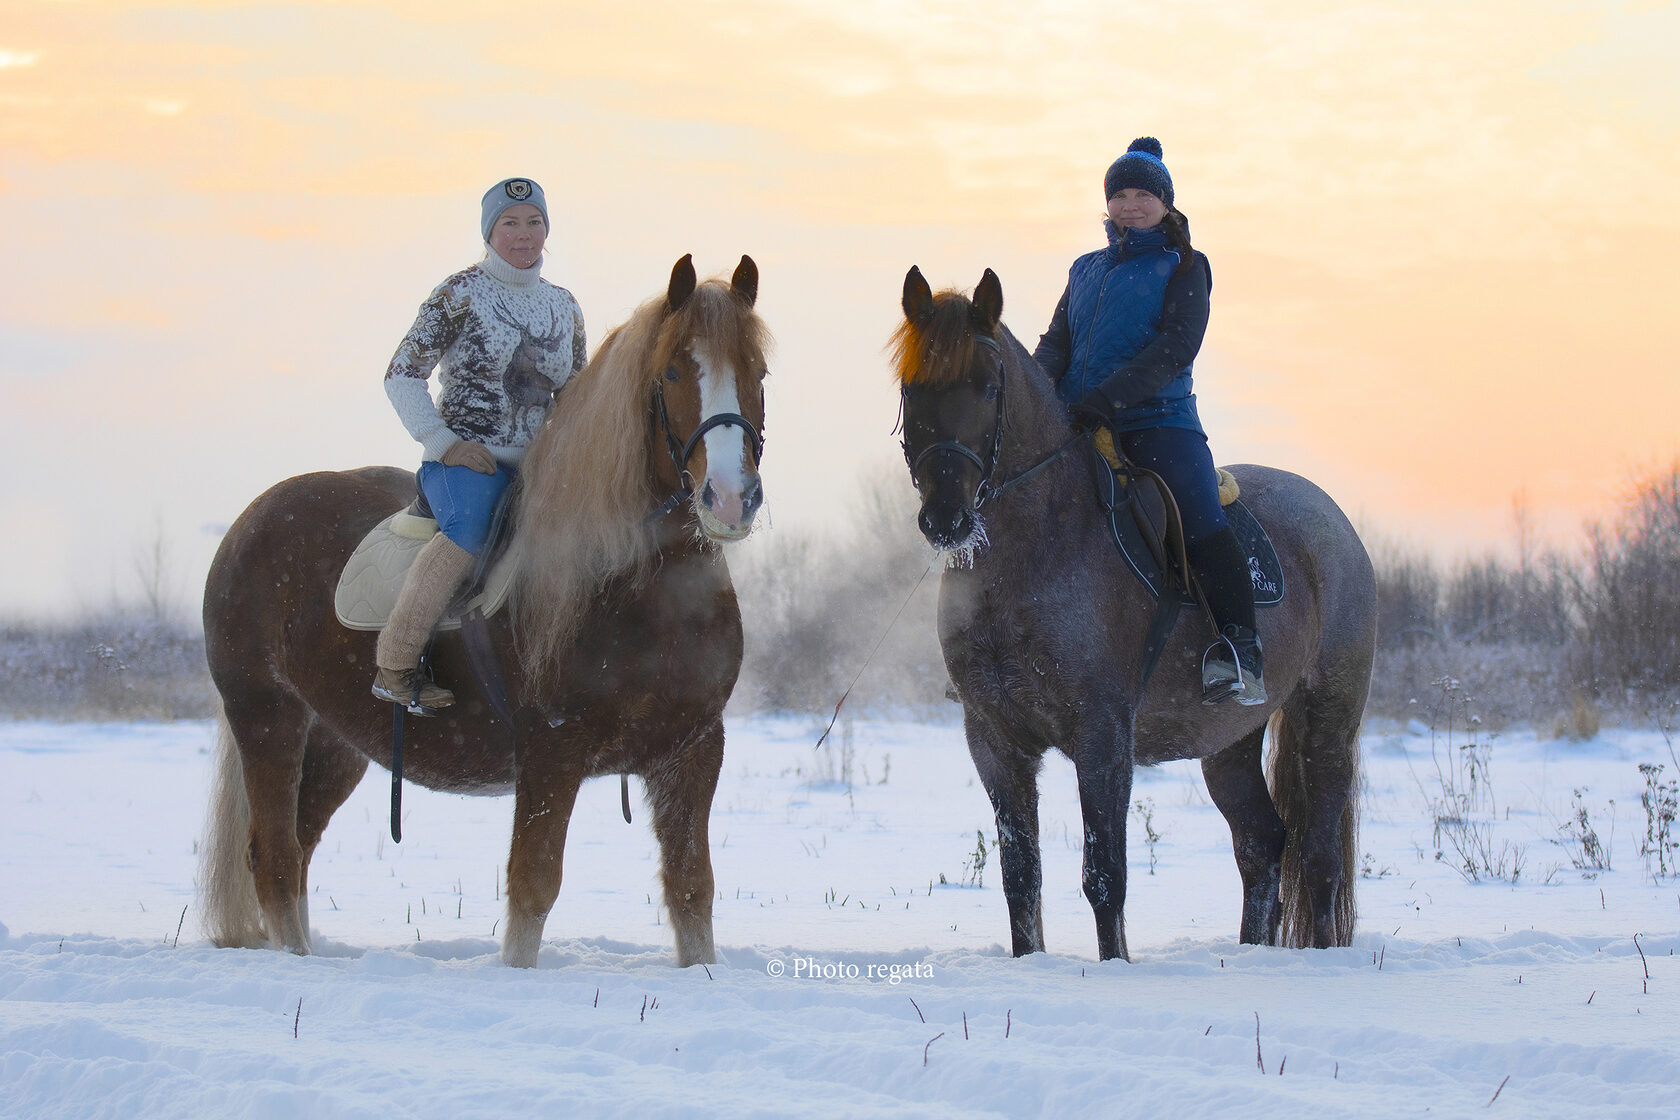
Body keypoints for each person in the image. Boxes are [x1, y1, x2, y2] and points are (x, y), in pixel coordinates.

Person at [1033, 137, 1265, 706]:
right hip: (1077, 423)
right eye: (1121, 195)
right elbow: (1057, 344)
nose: (1131, 205)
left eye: (1143, 194)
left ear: (1165, 204)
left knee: (1198, 515)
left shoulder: (1186, 265)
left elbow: (1177, 346)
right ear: (1108, 204)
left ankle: (1240, 650)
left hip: (1159, 420)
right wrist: (1038, 395)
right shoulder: (1084, 269)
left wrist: (1108, 398)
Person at [373, 176, 587, 713]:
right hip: (464, 464)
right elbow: (401, 375)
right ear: (490, 232)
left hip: (538, 468)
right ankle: (396, 664)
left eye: (534, 221)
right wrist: (444, 442)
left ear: (547, 228)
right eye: (509, 223)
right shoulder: (459, 294)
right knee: (469, 533)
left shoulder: (564, 306)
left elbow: (576, 397)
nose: (523, 233)